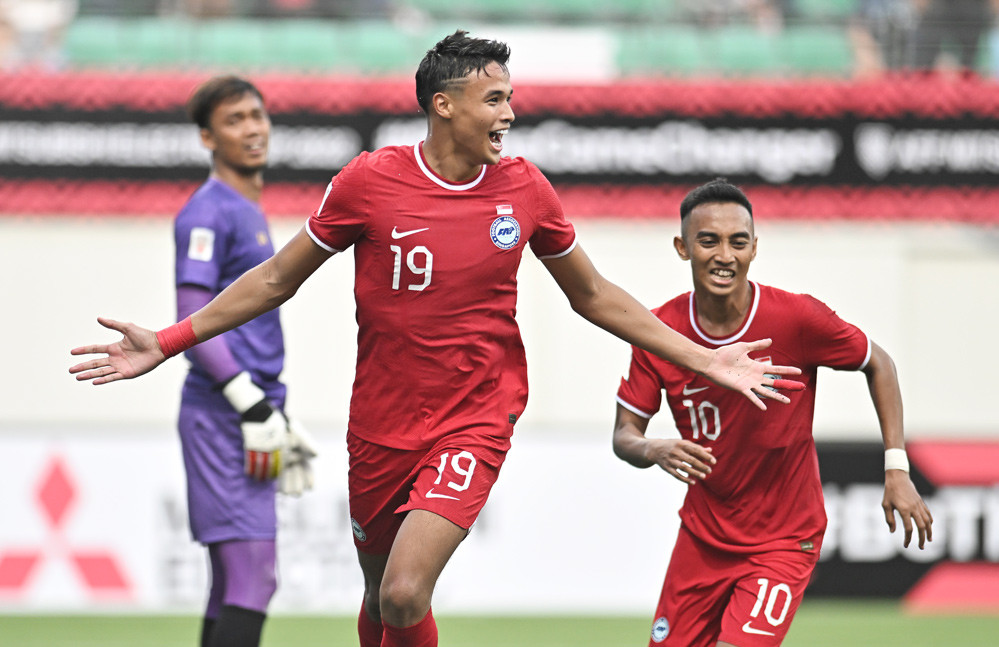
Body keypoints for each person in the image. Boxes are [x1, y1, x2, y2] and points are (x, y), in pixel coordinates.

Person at [70, 32, 803, 647]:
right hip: (381, 427)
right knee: (376, 596)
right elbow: (272, 281)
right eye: (495, 99)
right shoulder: (368, 182)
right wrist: (165, 342)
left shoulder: (524, 190)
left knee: (403, 591)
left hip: (475, 418)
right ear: (442, 105)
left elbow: (593, 295)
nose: (510, 113)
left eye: (510, 97)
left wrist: (704, 356)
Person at [612, 178, 934, 647]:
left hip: (783, 541)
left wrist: (896, 468)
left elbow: (878, 363)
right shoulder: (660, 333)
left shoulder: (797, 319)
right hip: (702, 538)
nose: (725, 255)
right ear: (683, 248)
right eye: (709, 241)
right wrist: (651, 447)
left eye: (738, 242)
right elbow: (624, 434)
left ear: (754, 248)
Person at [171, 75, 317, 647]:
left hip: (250, 411)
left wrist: (270, 412)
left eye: (257, 114)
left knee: (230, 584)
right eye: (234, 120)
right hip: (223, 414)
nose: (253, 128)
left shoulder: (245, 208)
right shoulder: (208, 212)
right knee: (255, 578)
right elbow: (190, 313)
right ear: (207, 137)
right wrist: (249, 403)